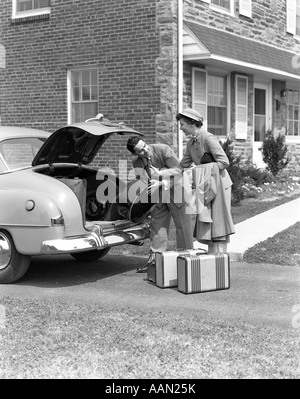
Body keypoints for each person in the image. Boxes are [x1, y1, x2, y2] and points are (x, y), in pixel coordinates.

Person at [126, 136, 194, 272]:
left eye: (145, 146)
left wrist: (163, 182)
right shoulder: (137, 163)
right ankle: (155, 263)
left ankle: (187, 261)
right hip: (159, 195)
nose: (146, 150)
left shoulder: (163, 150)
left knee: (182, 227)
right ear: (135, 154)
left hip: (177, 190)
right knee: (157, 226)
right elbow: (144, 183)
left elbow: (179, 171)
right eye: (141, 151)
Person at [177, 107, 235, 254]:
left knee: (219, 222)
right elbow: (182, 166)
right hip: (205, 186)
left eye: (182, 124)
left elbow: (224, 162)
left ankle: (220, 258)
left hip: (220, 184)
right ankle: (212, 258)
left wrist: (201, 170)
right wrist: (163, 173)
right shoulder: (190, 144)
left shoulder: (208, 138)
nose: (180, 128)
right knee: (208, 222)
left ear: (192, 123)